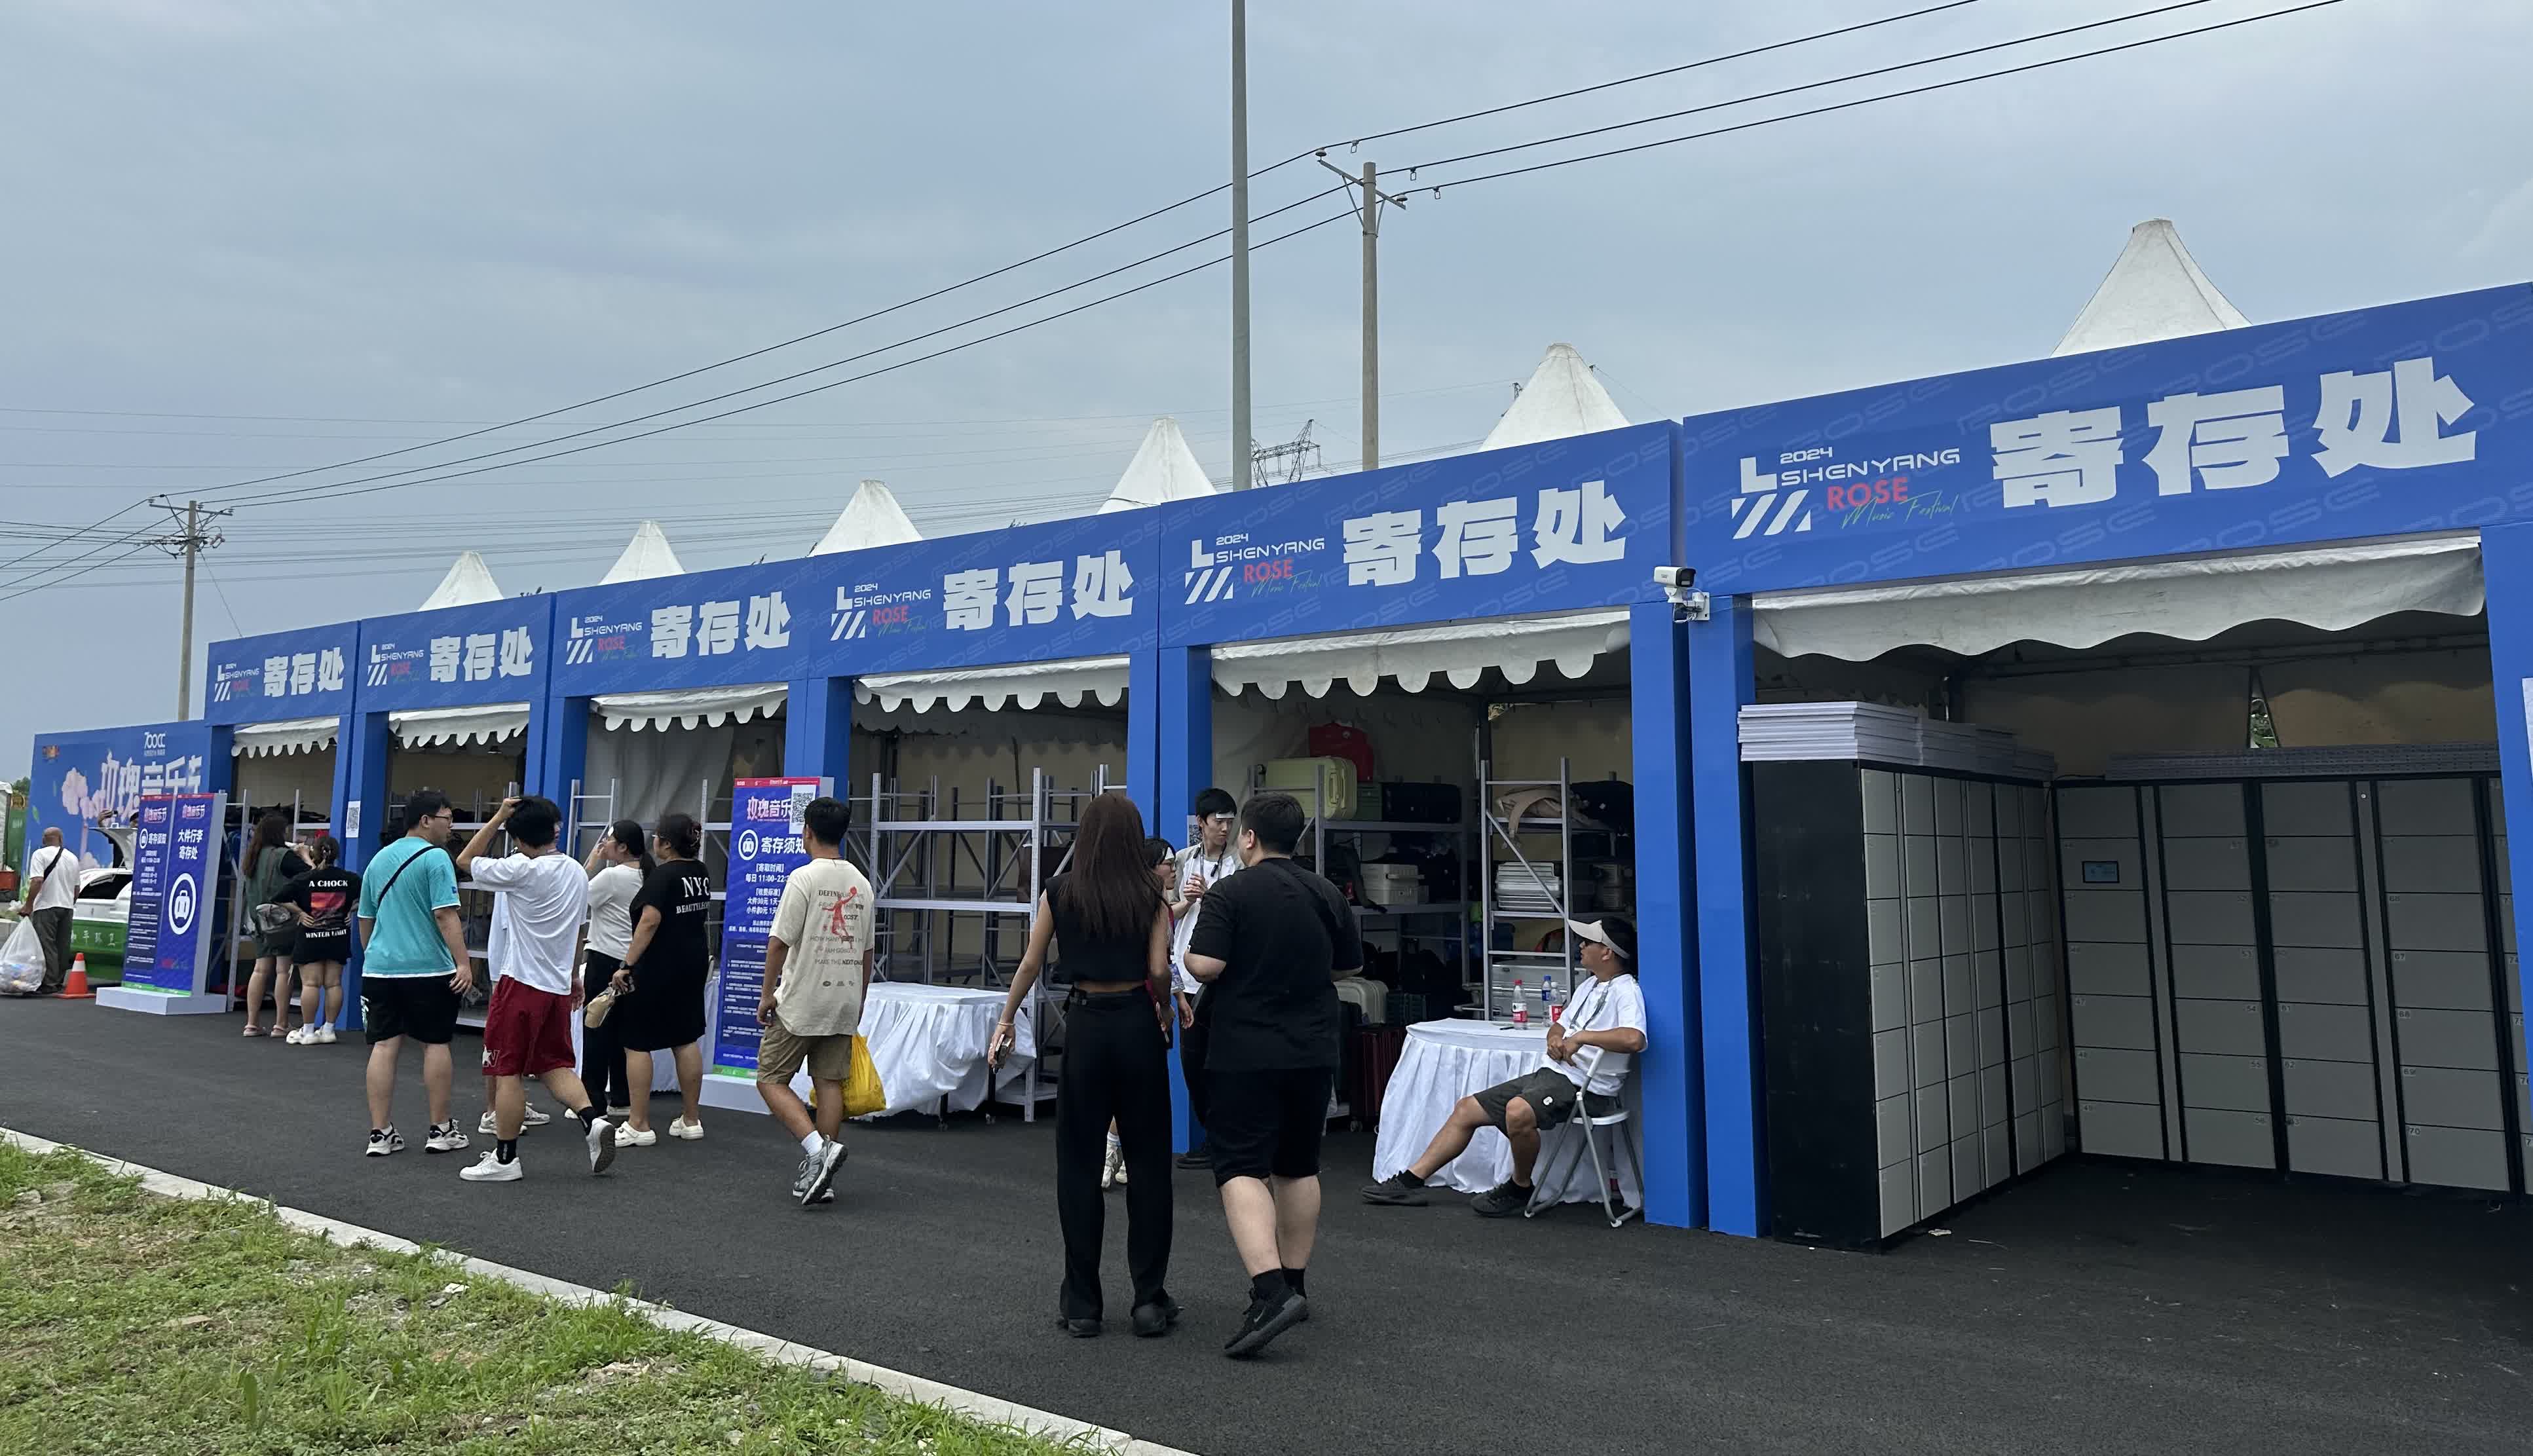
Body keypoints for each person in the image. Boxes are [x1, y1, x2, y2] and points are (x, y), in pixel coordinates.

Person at [990, 794, 1178, 1340]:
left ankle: (1082, 1303)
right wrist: (1165, 1008)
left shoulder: (1060, 890)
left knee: (1077, 1162)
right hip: (1137, 1024)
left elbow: (1031, 961)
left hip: (1088, 1025)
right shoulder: (1151, 892)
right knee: (1148, 1164)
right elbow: (1158, 967)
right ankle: (1148, 1299)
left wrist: (1005, 1019)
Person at [1182, 791, 1359, 1359]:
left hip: (1246, 1047)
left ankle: (1269, 1290)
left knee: (1239, 1165)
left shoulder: (1231, 891)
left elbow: (1206, 965)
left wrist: (1186, 957)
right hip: (1313, 1045)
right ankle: (1295, 1283)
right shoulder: (1325, 891)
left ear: (1250, 837)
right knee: (1297, 1164)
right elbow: (1349, 964)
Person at [1363, 917, 1645, 1215]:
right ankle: (1410, 1181)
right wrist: (1555, 1039)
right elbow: (1559, 1026)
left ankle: (1519, 1186)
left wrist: (1582, 1038)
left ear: (1607, 952)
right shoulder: (1589, 984)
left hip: (1586, 1087)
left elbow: (1634, 1038)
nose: (1581, 946)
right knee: (1466, 1108)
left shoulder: (1627, 990)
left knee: (1518, 1111)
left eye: (1588, 942)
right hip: (1555, 1074)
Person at [451, 796, 617, 1183]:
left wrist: (498, 816)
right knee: (554, 1065)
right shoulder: (576, 871)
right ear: (555, 831)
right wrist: (573, 976)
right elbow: (579, 929)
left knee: (506, 1069)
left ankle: (505, 1158)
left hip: (520, 984)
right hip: (557, 986)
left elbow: (465, 860)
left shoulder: (521, 869)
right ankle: (592, 1121)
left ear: (519, 838)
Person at [755, 796, 874, 1208]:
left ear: (807, 831)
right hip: (844, 999)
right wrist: (859, 997)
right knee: (828, 1084)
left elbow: (778, 943)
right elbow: (867, 951)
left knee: (770, 1079)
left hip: (802, 998)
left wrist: (767, 994)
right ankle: (823, 1173)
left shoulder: (803, 879)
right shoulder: (862, 882)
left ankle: (817, 1152)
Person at [356, 789, 476, 1157]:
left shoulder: (379, 859)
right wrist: (464, 962)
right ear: (426, 820)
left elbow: (365, 918)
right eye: (447, 819)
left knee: (384, 1045)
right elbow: (445, 914)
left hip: (380, 969)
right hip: (429, 969)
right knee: (435, 1043)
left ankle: (380, 1133)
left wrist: (375, 954)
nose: (451, 826)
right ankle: (441, 1128)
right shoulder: (436, 858)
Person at [609, 813, 712, 1146]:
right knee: (685, 1038)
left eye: (656, 837)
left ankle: (638, 1124)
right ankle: (691, 1119)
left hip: (658, 965)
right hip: (692, 963)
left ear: (666, 844)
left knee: (637, 1042)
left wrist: (627, 964)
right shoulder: (700, 872)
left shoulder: (663, 876)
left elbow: (649, 922)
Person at [1167, 788, 1242, 1170]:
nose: (1225, 828)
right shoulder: (1183, 859)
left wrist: (1211, 895)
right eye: (1218, 821)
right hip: (1187, 975)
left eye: (1230, 821)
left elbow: (1242, 914)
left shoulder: (1240, 864)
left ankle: (1226, 1143)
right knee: (1193, 1064)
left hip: (1224, 976)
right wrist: (1189, 900)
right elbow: (1166, 913)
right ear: (1201, 822)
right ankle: (1213, 1137)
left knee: (1226, 1063)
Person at [578, 819, 650, 1123]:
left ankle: (592, 1100)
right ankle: (621, 1098)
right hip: (632, 962)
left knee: (595, 1029)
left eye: (608, 839)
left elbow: (575, 895)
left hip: (604, 959)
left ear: (622, 847)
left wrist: (591, 863)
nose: (603, 844)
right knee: (624, 1033)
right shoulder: (648, 875)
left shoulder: (611, 876)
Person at [238, 812, 312, 1037]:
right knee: (283, 970)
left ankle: (251, 1024)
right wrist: (305, 855)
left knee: (260, 969)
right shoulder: (283, 856)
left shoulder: (252, 856)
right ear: (279, 833)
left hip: (258, 921)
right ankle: (281, 1024)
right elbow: (311, 875)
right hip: (282, 921)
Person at [281, 836, 360, 1045]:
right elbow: (369, 897)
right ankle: (329, 1030)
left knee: (311, 984)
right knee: (334, 984)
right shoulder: (350, 878)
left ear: (314, 854)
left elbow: (279, 898)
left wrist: (300, 913)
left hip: (311, 936)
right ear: (337, 854)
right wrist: (350, 911)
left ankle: (308, 1032)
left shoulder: (304, 879)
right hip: (338, 935)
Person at [15, 828, 82, 997]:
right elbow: (77, 888)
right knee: (62, 946)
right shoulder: (73, 858)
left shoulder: (40, 854)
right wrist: (69, 903)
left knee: (46, 944)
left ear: (44, 839)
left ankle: (49, 983)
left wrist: (28, 905)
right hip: (67, 907)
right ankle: (58, 981)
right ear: (61, 839)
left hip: (46, 906)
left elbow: (37, 880)